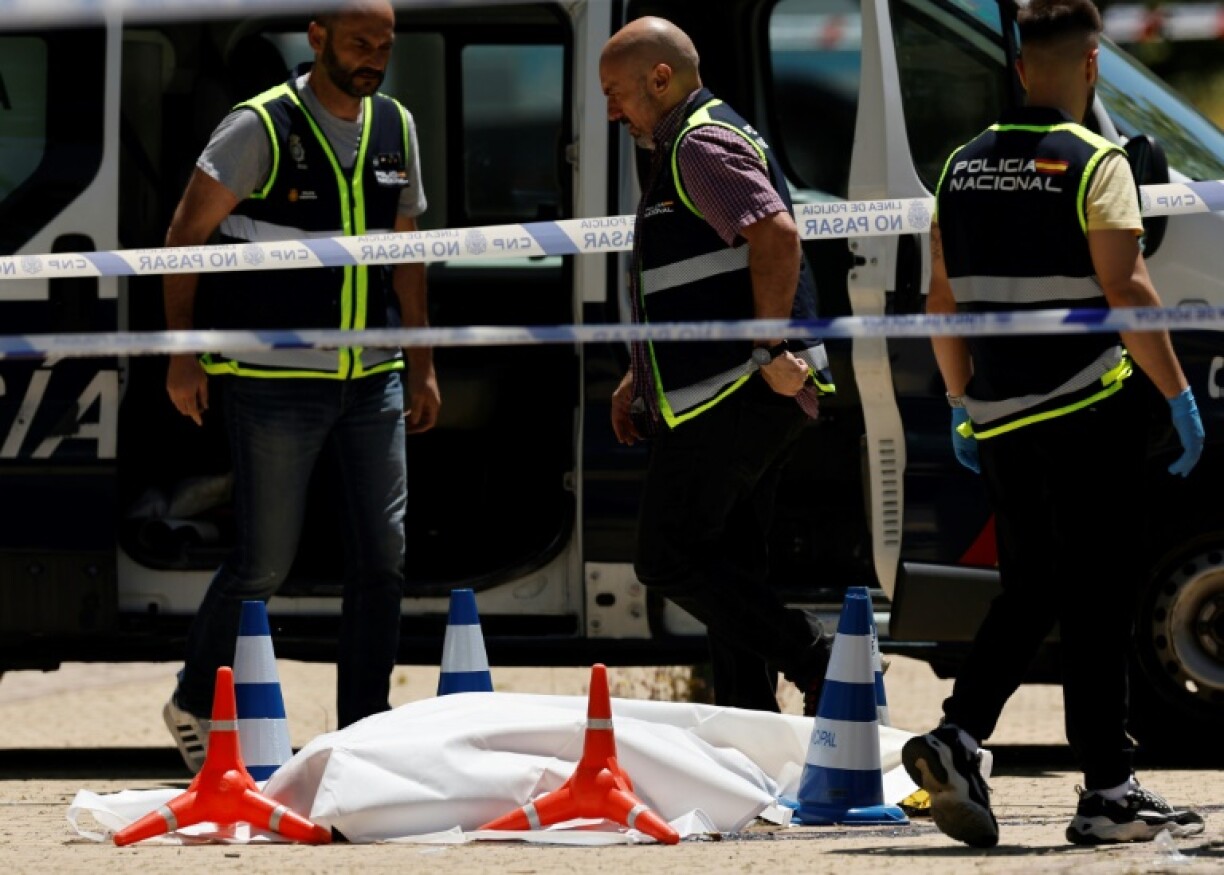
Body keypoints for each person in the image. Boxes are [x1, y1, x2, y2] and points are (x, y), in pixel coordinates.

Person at [903, 0, 1205, 848]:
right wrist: (1177, 395)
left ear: (1020, 68)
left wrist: (963, 404)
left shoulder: (959, 165)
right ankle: (1107, 789)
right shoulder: (1094, 162)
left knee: (1033, 586)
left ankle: (957, 736)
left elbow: (940, 299)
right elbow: (1131, 290)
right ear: (1091, 67)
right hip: (1087, 407)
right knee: (1100, 592)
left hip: (1000, 418)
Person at [160, 0, 440, 773]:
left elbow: (406, 251)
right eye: (358, 42)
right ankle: (191, 696)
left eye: (384, 44)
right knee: (264, 563)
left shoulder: (398, 127)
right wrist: (182, 357)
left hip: (372, 379)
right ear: (315, 38)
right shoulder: (259, 126)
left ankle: (364, 730)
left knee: (384, 557)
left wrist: (421, 361)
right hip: (272, 382)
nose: (372, 57)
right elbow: (184, 237)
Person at [599, 16, 838, 715]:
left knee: (669, 555)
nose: (611, 109)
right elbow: (700, 272)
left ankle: (811, 653)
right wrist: (638, 375)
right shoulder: (700, 135)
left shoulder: (698, 143)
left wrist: (767, 347)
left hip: (737, 390)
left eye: (616, 92)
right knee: (732, 566)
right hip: (741, 388)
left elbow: (775, 234)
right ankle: (749, 728)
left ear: (660, 79)